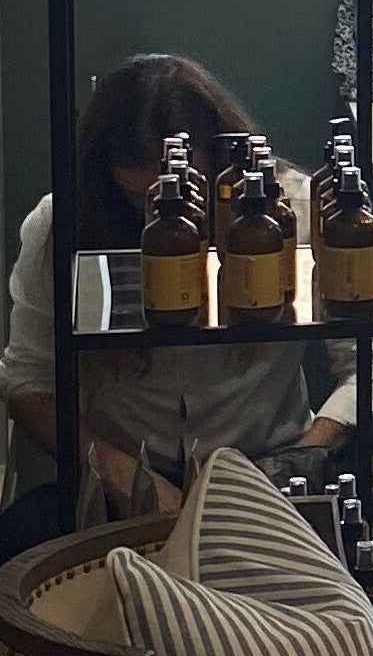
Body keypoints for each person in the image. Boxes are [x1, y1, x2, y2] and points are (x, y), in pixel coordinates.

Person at [1, 55, 353, 519]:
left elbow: (366, 367)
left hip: (268, 466)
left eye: (191, 193)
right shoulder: (60, 224)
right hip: (123, 473)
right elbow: (29, 382)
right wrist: (125, 478)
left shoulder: (298, 212)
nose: (161, 216)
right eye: (135, 198)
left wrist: (302, 460)